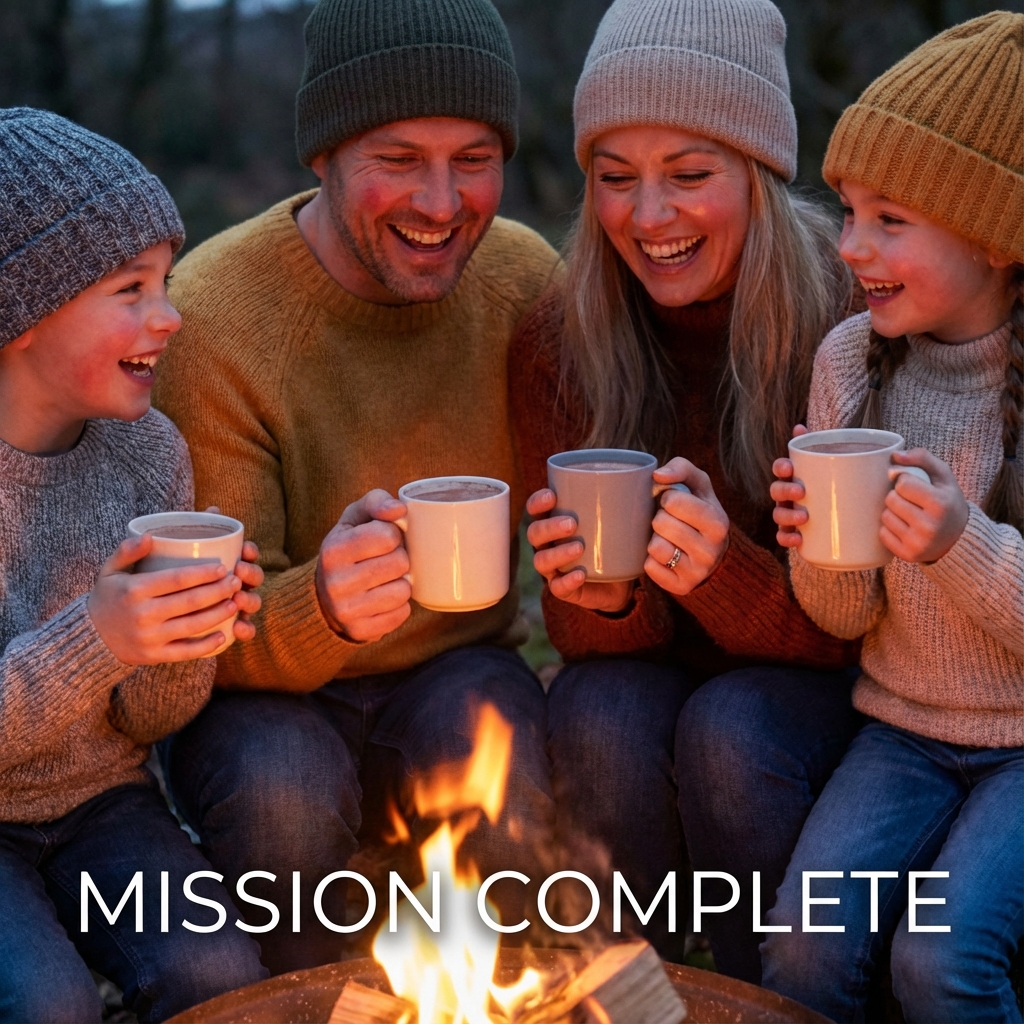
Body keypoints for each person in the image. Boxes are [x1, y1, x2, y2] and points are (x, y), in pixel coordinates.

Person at [153, 0, 561, 975]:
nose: (441, 198)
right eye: (397, 157)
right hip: (264, 694)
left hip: (456, 662)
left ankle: (486, 990)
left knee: (493, 747)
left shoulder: (523, 280)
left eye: (473, 157)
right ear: (322, 155)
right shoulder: (216, 317)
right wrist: (325, 607)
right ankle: (311, 998)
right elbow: (206, 633)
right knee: (283, 784)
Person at [510, 0, 863, 968]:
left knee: (729, 726)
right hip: (652, 682)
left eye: (690, 176)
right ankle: (648, 993)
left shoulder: (847, 311)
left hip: (815, 688)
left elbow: (865, 632)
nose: (648, 217)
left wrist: (723, 573)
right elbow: (588, 647)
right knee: (594, 710)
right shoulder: (558, 337)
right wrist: (604, 595)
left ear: (757, 171)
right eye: (615, 179)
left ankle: (760, 993)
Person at [762, 14, 1023, 1022]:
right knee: (800, 945)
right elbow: (839, 618)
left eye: (891, 220)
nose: (852, 245)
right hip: (901, 732)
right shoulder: (846, 362)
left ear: (999, 237)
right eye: (848, 208)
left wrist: (960, 543)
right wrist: (817, 548)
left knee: (941, 963)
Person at [0, 109, 267, 1023]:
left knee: (219, 975)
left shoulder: (147, 453)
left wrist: (188, 635)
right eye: (132, 287)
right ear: (23, 310)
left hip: (103, 803)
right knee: (48, 1005)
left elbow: (149, 714)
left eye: (166, 279)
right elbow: (91, 651)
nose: (171, 313)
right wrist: (97, 638)